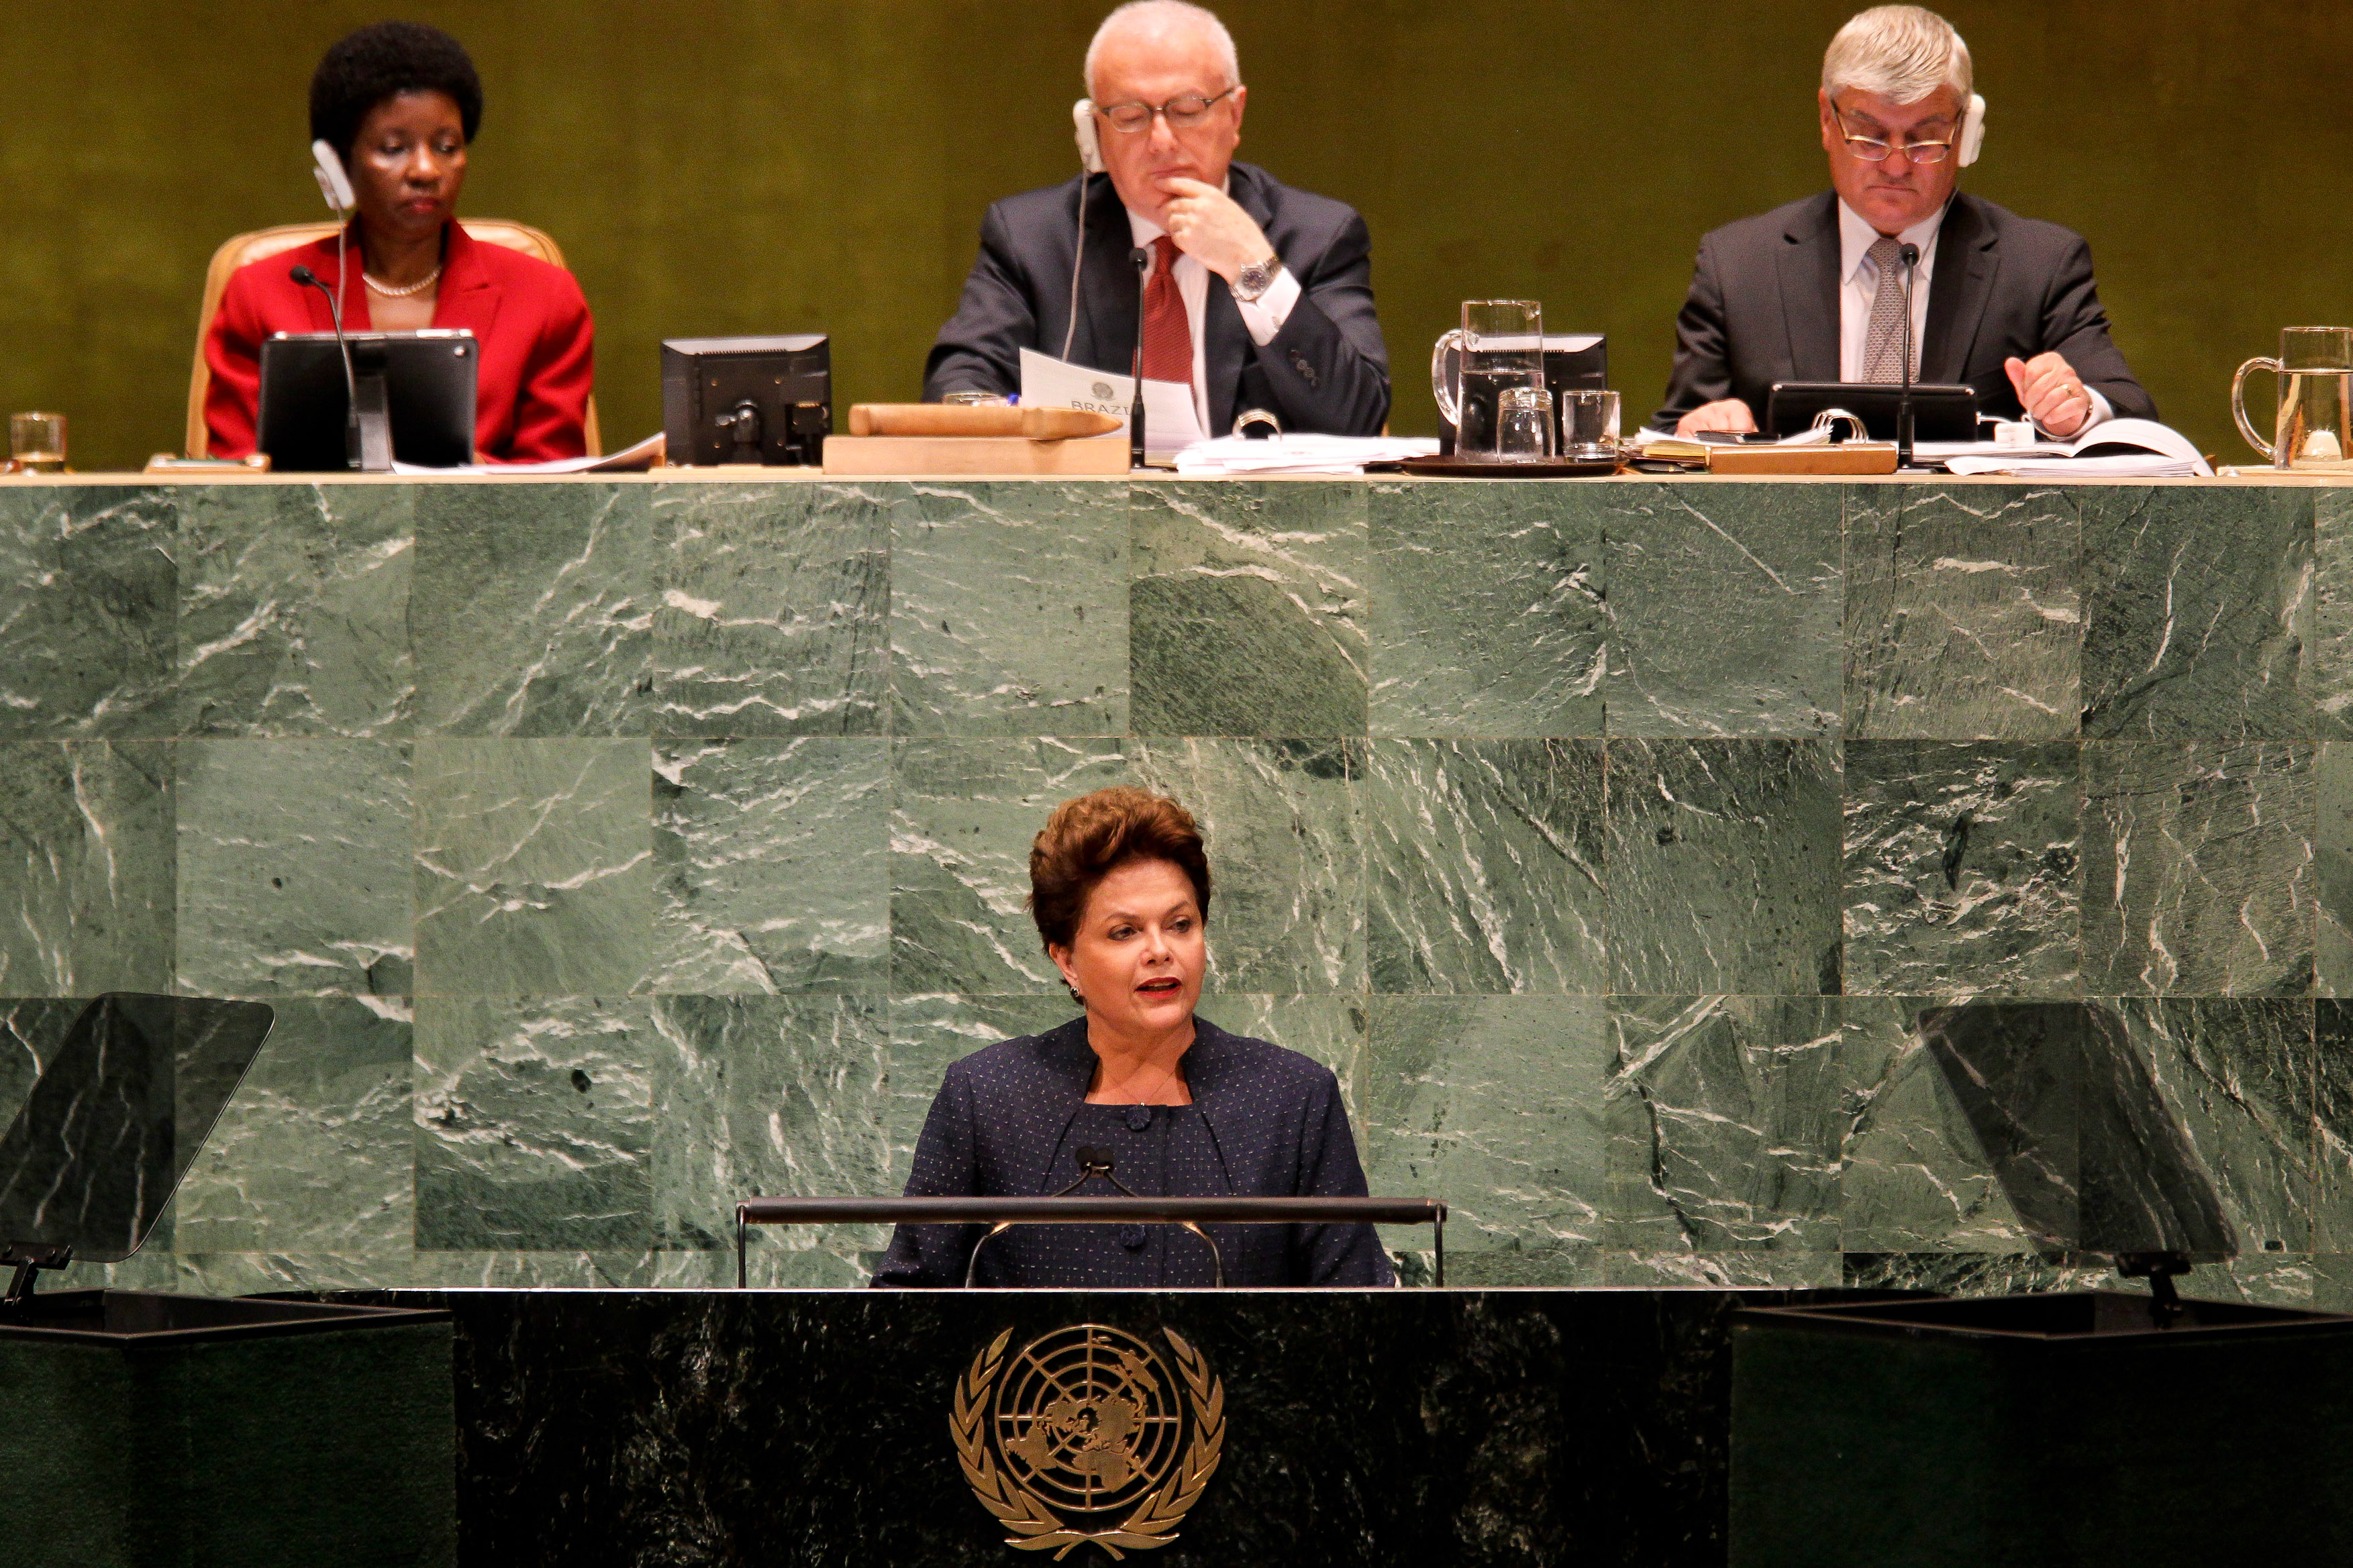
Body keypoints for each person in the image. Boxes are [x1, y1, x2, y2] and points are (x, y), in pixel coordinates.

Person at [872, 788, 1395, 1288]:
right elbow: (904, 1308)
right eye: (1125, 932)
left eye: (1180, 924)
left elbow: (1360, 1312)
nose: (1160, 950)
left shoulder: (1291, 1098)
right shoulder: (989, 1096)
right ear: (1066, 958)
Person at [1654, 5, 2154, 438]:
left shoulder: (2039, 265)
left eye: (1924, 138)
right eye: (1869, 136)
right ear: (1827, 121)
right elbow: (1670, 436)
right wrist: (1701, 428)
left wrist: (2079, 406)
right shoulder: (1739, 266)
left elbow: (2130, 408)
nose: (1896, 165)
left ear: (1966, 132)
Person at [922, 0, 1390, 439]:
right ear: (1096, 131)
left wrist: (1254, 270)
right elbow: (959, 384)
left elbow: (1362, 419)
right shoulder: (1032, 239)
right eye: (1131, 117)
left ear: (1235, 113)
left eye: (1187, 111)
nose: (1162, 141)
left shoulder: (1317, 236)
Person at [203, 22, 594, 464]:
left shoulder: (544, 297)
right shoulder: (261, 294)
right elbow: (234, 480)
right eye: (393, 148)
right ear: (338, 166)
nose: (426, 170)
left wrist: (472, 480)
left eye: (447, 147)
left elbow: (558, 489)